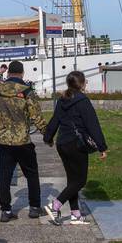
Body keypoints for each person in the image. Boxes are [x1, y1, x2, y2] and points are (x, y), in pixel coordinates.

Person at [42, 70, 107, 225]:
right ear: (82, 84)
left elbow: (54, 120)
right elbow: (93, 125)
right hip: (76, 145)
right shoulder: (83, 101)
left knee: (72, 180)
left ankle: (75, 215)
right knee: (80, 181)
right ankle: (55, 205)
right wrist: (102, 147)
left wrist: (48, 138)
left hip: (62, 144)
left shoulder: (62, 100)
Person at [0, 60, 47, 222]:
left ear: (8, 74)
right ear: (22, 73)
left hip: (4, 141)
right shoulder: (27, 91)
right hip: (23, 141)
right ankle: (34, 208)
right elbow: (36, 116)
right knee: (32, 174)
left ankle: (6, 211)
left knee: (4, 176)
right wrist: (47, 135)